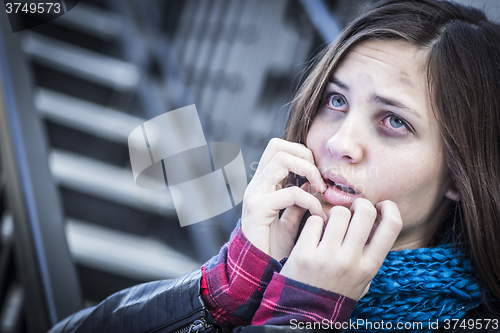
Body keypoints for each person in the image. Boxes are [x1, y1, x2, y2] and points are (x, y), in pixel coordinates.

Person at [48, 0, 500, 332]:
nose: (341, 142)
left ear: (461, 174)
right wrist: (227, 286)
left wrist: (303, 312)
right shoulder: (273, 268)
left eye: (394, 121)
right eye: (335, 100)